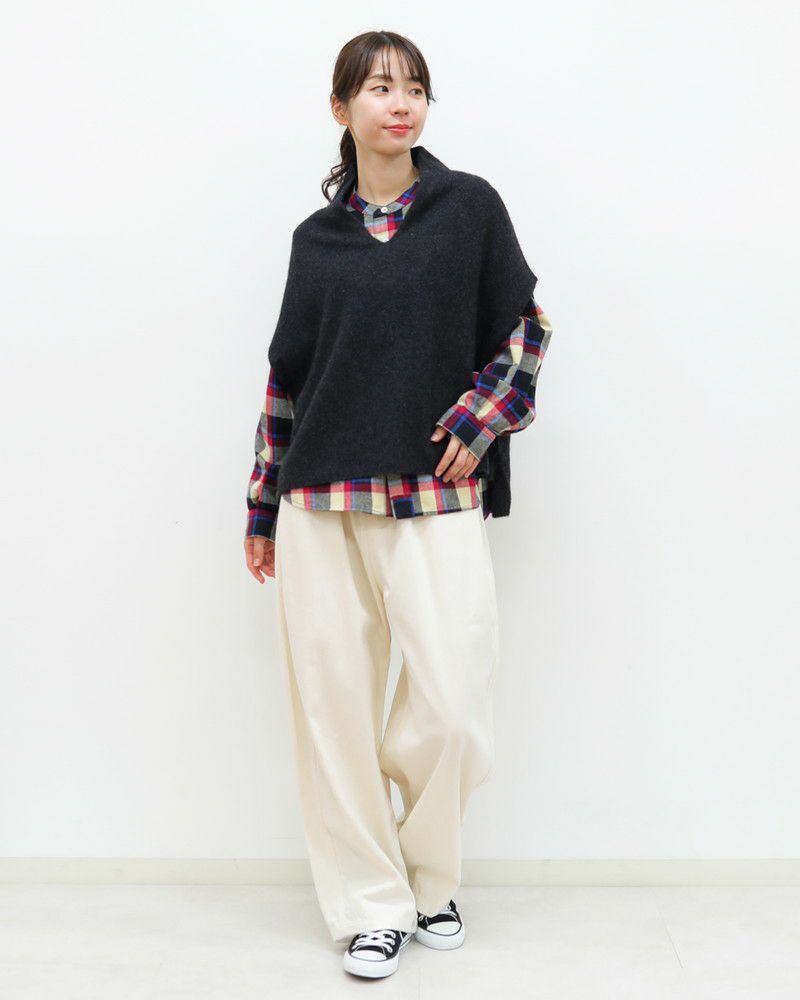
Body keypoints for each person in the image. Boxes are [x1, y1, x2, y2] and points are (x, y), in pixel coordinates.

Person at [243, 30, 553, 980]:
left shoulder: (469, 209)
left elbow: (524, 326)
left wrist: (482, 417)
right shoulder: (317, 240)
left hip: (434, 490)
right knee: (333, 713)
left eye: (414, 87)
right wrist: (262, 508)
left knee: (453, 705)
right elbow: (288, 378)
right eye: (380, 87)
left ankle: (430, 879)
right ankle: (369, 907)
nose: (401, 102)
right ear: (341, 108)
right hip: (322, 498)